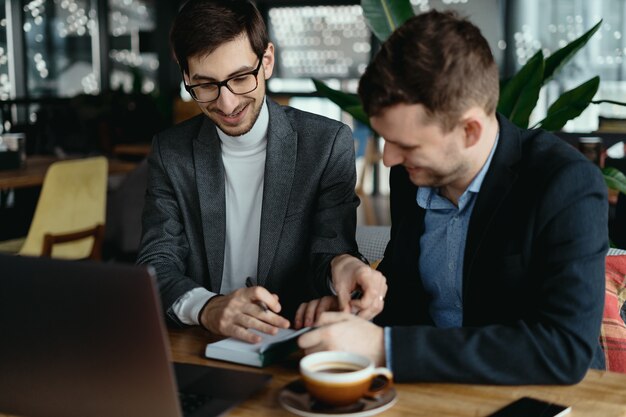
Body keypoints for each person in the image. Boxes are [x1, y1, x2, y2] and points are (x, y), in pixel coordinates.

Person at [297, 10, 608, 385]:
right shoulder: (410, 175)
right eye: (385, 138)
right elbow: (408, 297)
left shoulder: (566, 184)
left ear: (470, 130)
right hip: (428, 391)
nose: (389, 158)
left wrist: (384, 346)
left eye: (405, 144)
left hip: (541, 398)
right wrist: (359, 314)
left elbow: (564, 349)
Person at [137, 0, 386, 343]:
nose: (227, 104)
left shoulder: (326, 144)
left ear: (266, 61)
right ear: (185, 76)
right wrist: (207, 307)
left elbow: (330, 250)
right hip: (199, 340)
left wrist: (341, 267)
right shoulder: (171, 151)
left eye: (240, 78)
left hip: (293, 340)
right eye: (205, 85)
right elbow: (156, 263)